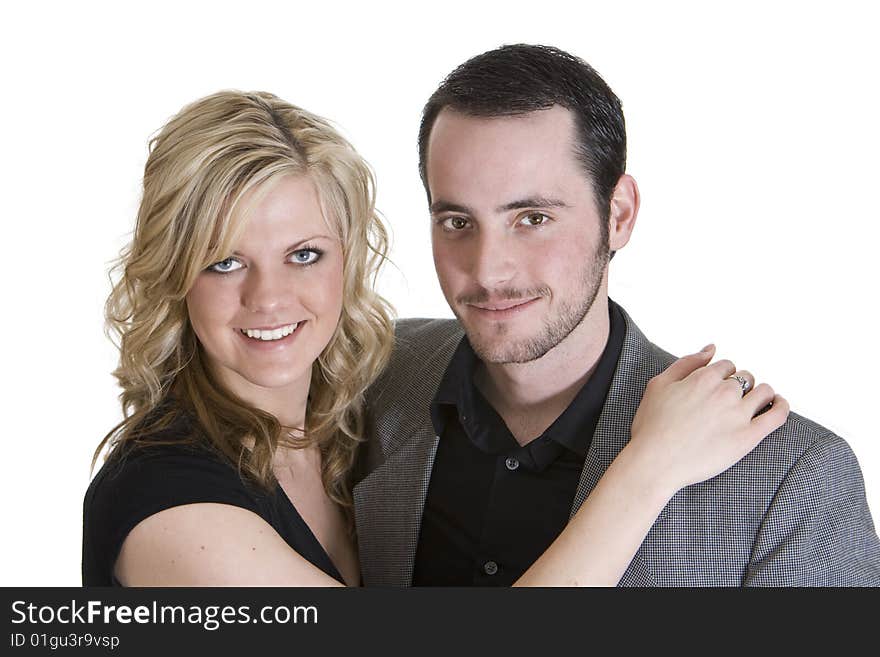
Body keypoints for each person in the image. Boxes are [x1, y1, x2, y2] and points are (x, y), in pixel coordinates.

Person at [82, 89, 787, 587]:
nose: (269, 298)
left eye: (304, 254)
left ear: (349, 257)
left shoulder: (362, 409)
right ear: (174, 273)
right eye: (224, 261)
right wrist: (647, 469)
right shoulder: (169, 503)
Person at [352, 44, 880, 586]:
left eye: (532, 218)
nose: (489, 271)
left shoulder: (791, 478)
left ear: (619, 215)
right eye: (457, 222)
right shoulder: (372, 375)